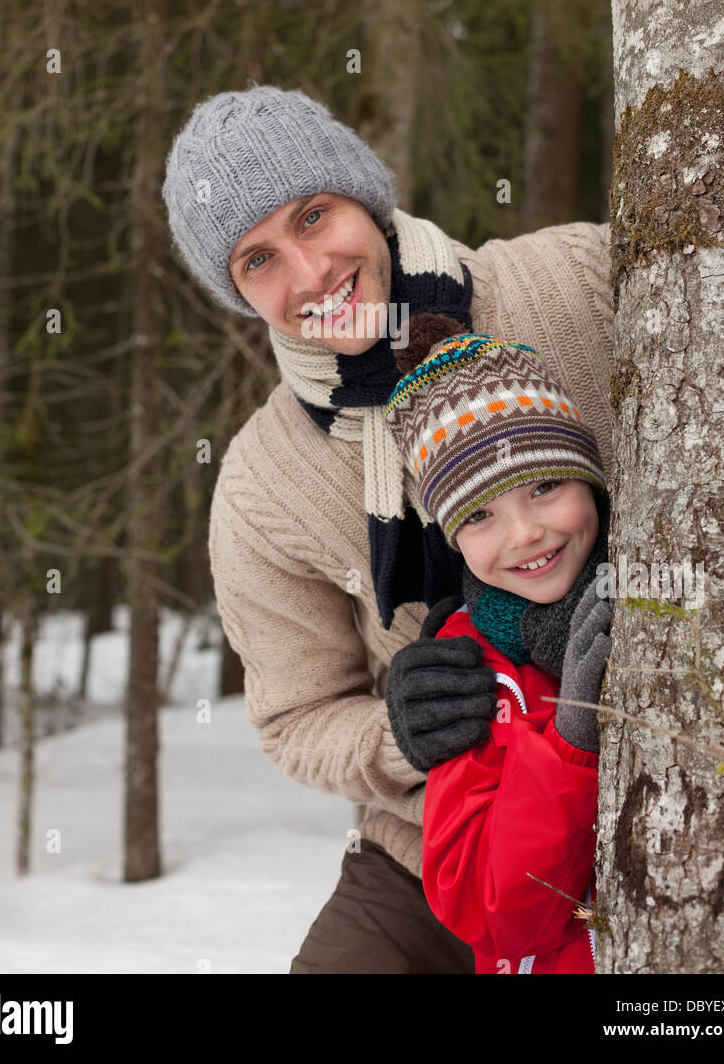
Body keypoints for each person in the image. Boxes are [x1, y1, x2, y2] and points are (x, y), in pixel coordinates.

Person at [161, 82, 615, 973]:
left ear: (365, 196)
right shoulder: (263, 483)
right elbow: (297, 719)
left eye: (314, 216)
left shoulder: (574, 282)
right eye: (256, 260)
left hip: (653, 786)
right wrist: (401, 736)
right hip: (442, 841)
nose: (308, 275)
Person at [382, 312, 612, 974]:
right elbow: (488, 912)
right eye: (479, 514)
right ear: (452, 539)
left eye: (545, 487)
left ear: (590, 479)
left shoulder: (653, 589)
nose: (525, 534)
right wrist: (571, 741)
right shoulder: (469, 676)